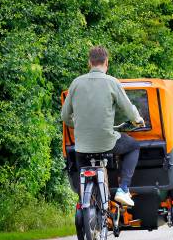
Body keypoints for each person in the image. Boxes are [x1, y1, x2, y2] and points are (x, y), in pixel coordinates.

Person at [61, 46, 144, 207]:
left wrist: (76, 125)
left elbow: (65, 117)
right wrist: (138, 119)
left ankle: (85, 203)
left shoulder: (76, 83)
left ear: (89, 63)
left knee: (82, 170)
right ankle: (123, 189)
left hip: (82, 145)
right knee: (133, 146)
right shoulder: (112, 82)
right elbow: (129, 110)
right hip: (107, 142)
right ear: (106, 62)